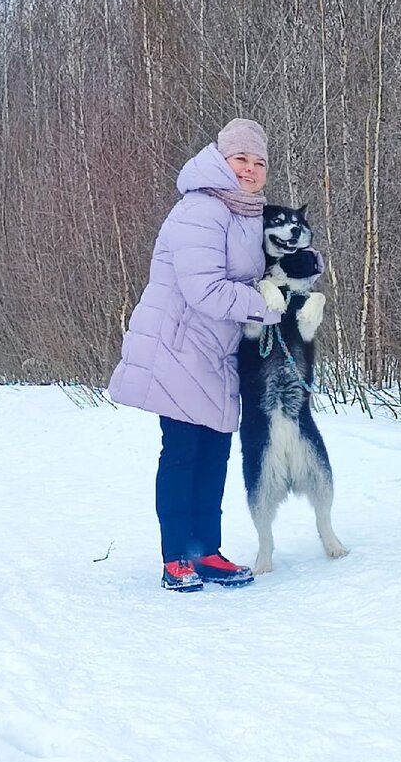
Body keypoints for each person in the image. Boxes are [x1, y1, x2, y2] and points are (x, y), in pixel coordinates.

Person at [108, 119, 285, 593]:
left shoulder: (247, 212)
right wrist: (265, 304)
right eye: (240, 159)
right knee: (184, 452)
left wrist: (296, 274)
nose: (249, 169)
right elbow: (204, 289)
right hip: (179, 347)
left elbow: (279, 259)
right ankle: (175, 559)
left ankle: (206, 551)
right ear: (221, 161)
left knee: (214, 453)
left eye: (258, 161)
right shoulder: (202, 210)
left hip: (217, 351)